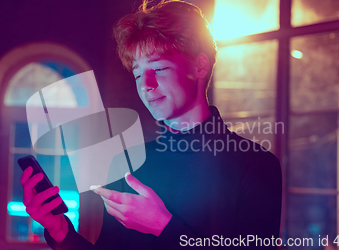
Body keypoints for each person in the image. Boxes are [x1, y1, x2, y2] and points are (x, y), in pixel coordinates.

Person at [20, 0, 282, 249]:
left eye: (158, 69)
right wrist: (60, 231)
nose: (145, 85)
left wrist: (163, 226)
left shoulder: (256, 166)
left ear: (200, 66)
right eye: (137, 73)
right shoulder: (125, 163)